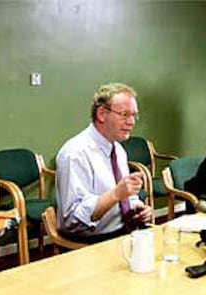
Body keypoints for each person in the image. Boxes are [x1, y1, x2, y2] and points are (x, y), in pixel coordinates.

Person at [55, 82, 153, 244]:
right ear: (101, 114)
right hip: (92, 242)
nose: (131, 122)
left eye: (134, 115)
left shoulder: (118, 149)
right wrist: (115, 194)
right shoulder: (75, 154)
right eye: (124, 114)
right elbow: (72, 219)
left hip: (124, 230)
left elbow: (124, 197)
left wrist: (138, 207)